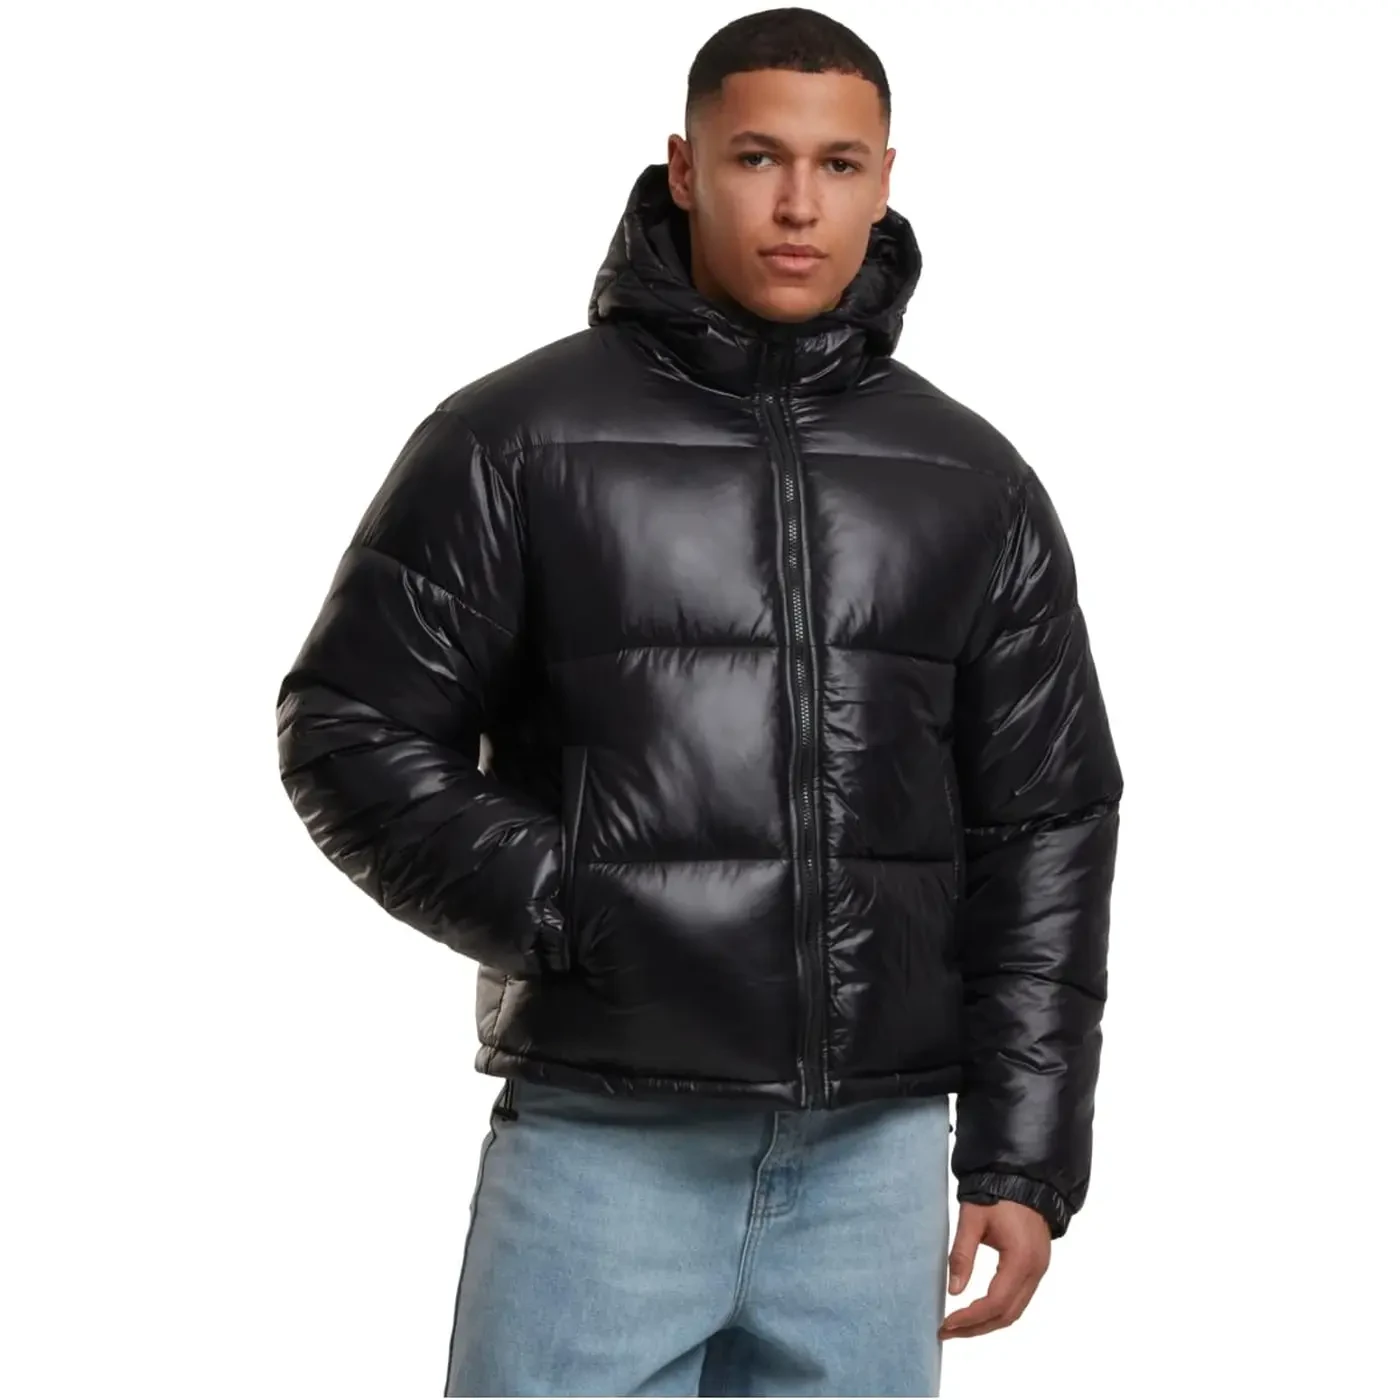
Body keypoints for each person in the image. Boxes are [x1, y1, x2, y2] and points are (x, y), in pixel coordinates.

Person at [275, 7, 1124, 1396]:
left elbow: (1047, 819)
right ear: (685, 168)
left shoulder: (972, 478)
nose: (798, 205)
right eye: (757, 157)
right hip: (605, 1145)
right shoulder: (514, 439)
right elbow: (351, 729)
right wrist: (575, 904)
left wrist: (1023, 1156)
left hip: (876, 1164)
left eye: (838, 165)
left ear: (886, 178)